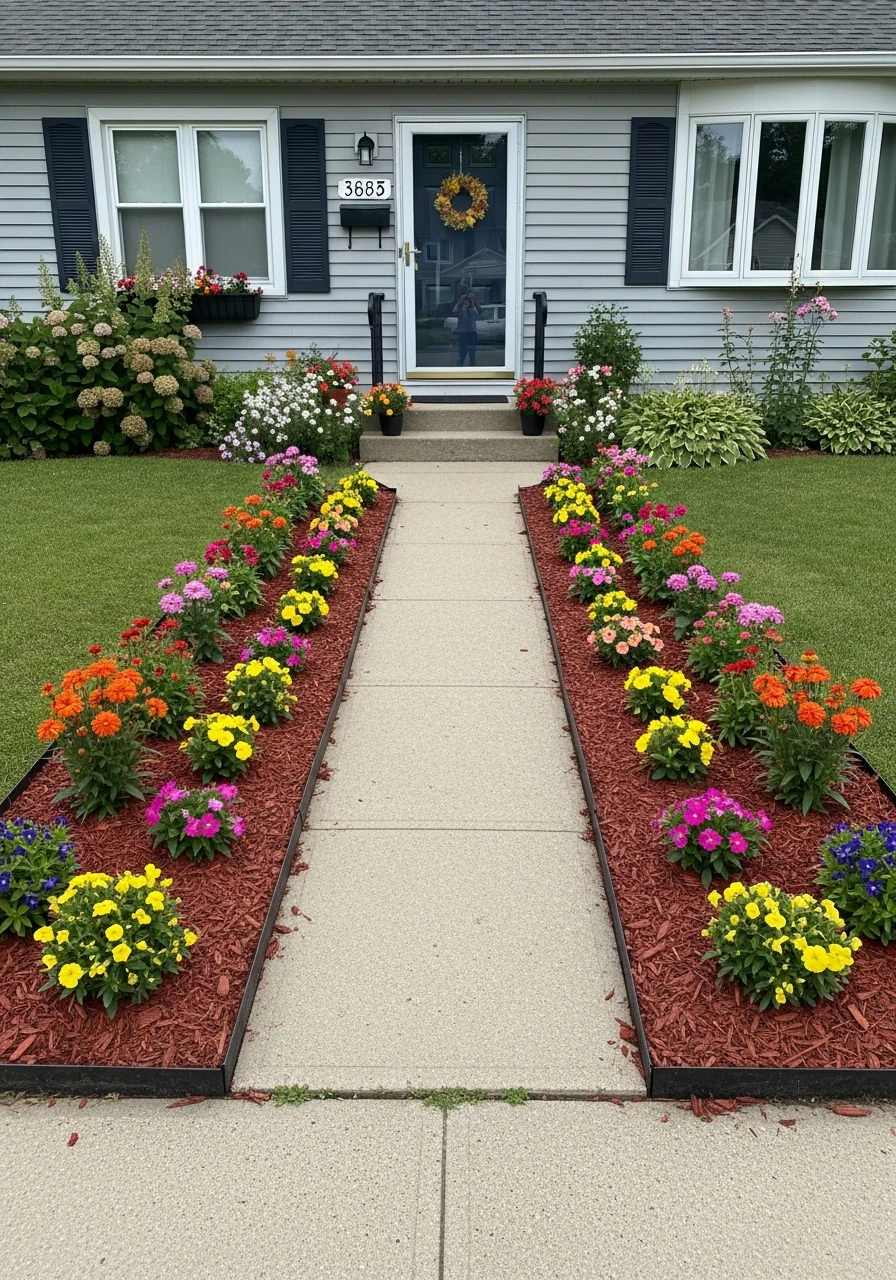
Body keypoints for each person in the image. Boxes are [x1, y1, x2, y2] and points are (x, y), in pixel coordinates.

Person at [453, 288, 481, 366]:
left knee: (472, 352)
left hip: (472, 331)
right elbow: (454, 311)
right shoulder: (460, 307)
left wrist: (473, 301)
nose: (467, 300)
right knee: (462, 352)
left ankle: (472, 367)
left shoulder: (472, 307)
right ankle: (460, 366)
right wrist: (460, 300)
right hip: (462, 332)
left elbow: (478, 312)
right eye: (466, 298)